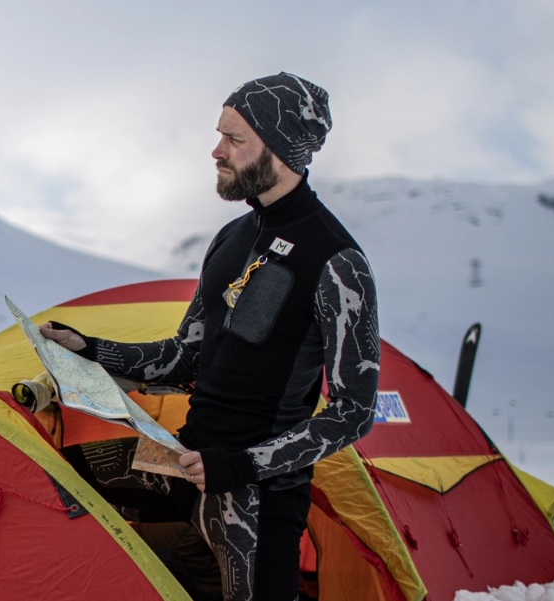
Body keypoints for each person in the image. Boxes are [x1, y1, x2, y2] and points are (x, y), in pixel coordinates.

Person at [39, 72, 379, 601]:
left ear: (283, 150)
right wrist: (94, 349)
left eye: (235, 139)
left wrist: (241, 464)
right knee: (49, 491)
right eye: (220, 134)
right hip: (189, 471)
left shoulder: (336, 261)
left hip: (260, 501)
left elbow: (353, 412)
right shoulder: (233, 236)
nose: (216, 151)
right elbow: (187, 355)